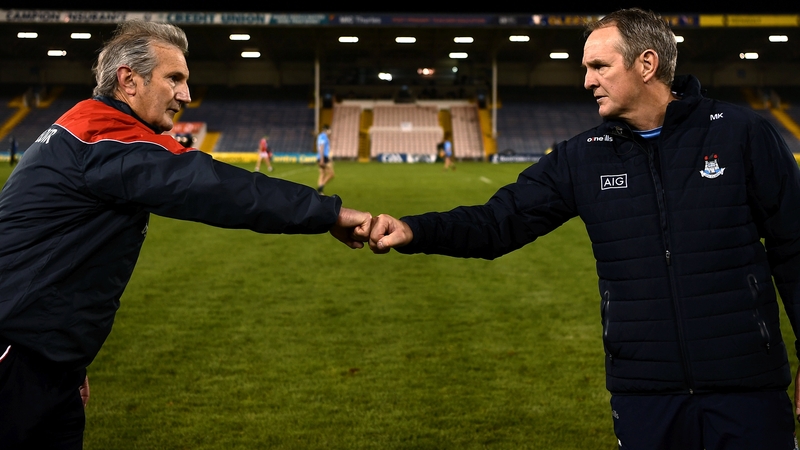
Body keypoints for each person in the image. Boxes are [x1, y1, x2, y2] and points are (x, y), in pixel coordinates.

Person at [369, 8, 800, 450]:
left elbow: (794, 246)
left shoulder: (740, 134)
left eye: (600, 66)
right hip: (645, 393)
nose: (587, 81)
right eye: (586, 69)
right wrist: (413, 230)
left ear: (646, 64)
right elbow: (498, 222)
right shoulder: (582, 158)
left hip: (747, 387)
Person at [0, 20, 371, 449]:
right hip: (16, 358)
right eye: (174, 78)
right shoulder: (103, 134)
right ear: (129, 80)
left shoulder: (88, 129)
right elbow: (209, 185)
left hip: (46, 362)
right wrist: (329, 213)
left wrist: (65, 361)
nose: (186, 95)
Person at [316, 124, 334, 194]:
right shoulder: (324, 136)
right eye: (330, 130)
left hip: (320, 157)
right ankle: (320, 187)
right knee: (331, 174)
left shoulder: (321, 136)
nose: (330, 131)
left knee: (322, 174)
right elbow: (322, 147)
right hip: (323, 157)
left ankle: (320, 192)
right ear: (327, 130)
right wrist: (322, 159)